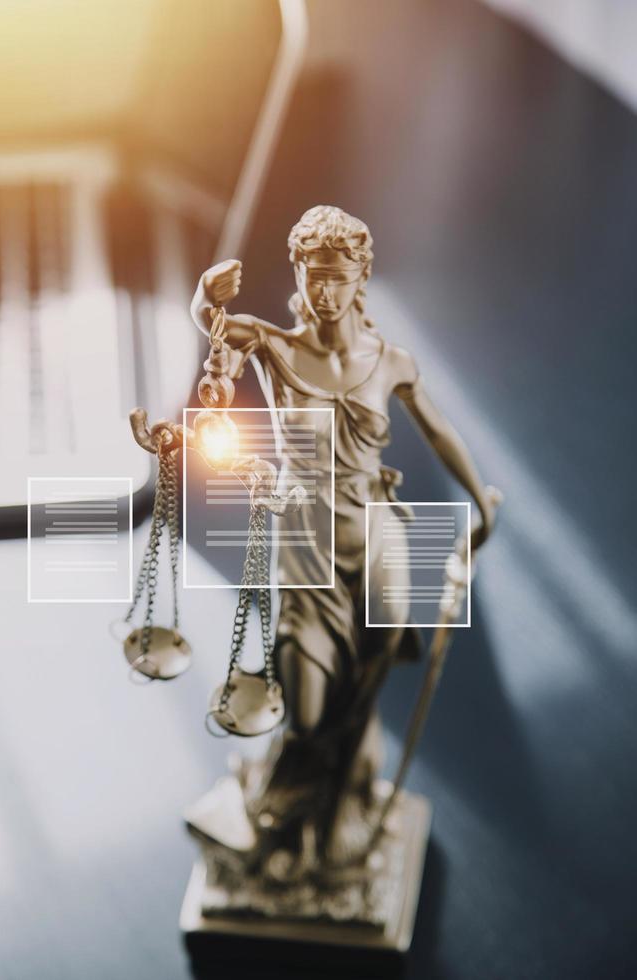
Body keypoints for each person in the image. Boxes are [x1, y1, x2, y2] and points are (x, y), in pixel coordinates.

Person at [190, 205, 495, 872]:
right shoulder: (277, 347)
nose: (326, 291)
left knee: (368, 678)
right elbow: (219, 330)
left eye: (339, 276)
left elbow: (439, 428)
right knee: (306, 697)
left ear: (362, 277)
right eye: (313, 275)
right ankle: (296, 791)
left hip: (377, 537)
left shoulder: (390, 361)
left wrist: (478, 496)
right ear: (298, 273)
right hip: (306, 544)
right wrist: (203, 297)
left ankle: (333, 811)